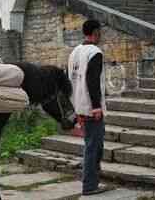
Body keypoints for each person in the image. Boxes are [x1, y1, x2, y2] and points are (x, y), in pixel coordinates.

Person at [68, 19, 109, 196]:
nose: (101, 35)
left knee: (93, 144)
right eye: (100, 31)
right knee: (93, 146)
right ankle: (90, 185)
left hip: (78, 104)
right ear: (95, 32)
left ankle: (94, 179)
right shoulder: (95, 52)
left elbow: (70, 79)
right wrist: (96, 107)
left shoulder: (75, 52)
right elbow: (92, 81)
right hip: (90, 107)